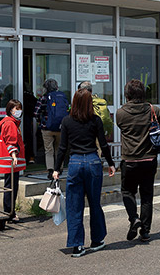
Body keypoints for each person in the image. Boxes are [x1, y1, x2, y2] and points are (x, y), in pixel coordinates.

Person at [53, 88, 116, 258]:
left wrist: (56, 169)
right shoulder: (95, 120)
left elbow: (63, 148)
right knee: (95, 203)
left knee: (74, 206)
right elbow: (103, 144)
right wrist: (111, 164)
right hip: (93, 162)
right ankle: (97, 241)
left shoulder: (67, 121)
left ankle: (77, 246)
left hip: (74, 163)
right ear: (90, 104)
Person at [116, 79, 160, 242]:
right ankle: (146, 231)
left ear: (126, 94)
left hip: (129, 160)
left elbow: (122, 128)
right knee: (147, 195)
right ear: (143, 93)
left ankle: (134, 218)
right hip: (149, 159)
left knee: (128, 191)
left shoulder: (121, 113)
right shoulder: (152, 109)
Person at [0, 99, 26, 228]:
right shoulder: (10, 124)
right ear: (10, 110)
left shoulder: (9, 122)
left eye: (19, 109)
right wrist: (13, 155)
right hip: (11, 161)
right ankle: (9, 213)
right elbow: (11, 141)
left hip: (8, 161)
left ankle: (10, 212)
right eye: (15, 109)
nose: (18, 111)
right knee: (11, 187)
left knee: (10, 186)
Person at [34, 79, 69, 179]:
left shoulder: (43, 98)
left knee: (48, 150)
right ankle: (59, 169)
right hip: (61, 127)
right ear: (56, 86)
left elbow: (36, 113)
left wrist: (40, 122)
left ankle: (50, 171)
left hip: (47, 128)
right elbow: (67, 109)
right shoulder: (62, 96)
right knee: (59, 149)